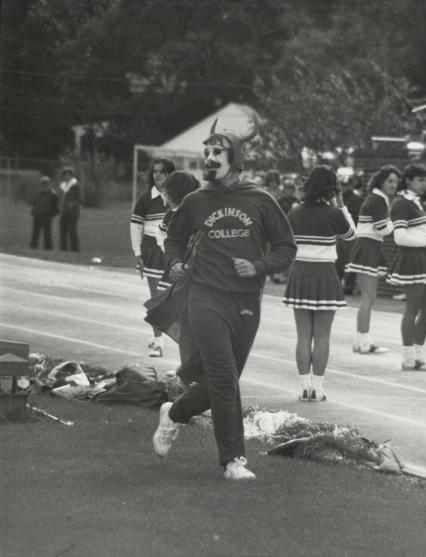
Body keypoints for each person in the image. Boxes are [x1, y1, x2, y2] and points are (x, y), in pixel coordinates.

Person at [151, 114, 296, 480]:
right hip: (204, 296)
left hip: (246, 301)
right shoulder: (197, 200)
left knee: (222, 383)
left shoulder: (261, 200)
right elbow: (174, 238)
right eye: (207, 152)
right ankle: (234, 461)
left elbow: (286, 246)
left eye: (218, 152)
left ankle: (174, 414)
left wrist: (260, 266)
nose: (209, 159)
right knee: (222, 376)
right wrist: (174, 262)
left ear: (237, 159)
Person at [283, 166, 355, 402]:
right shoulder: (334, 213)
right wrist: (342, 205)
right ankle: (318, 389)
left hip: (300, 273)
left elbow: (285, 240)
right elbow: (351, 236)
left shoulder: (294, 212)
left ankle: (304, 387)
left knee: (303, 336)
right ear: (332, 188)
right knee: (322, 336)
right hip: (325, 273)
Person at [387, 164, 426, 370]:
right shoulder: (400, 203)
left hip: (422, 258)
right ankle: (408, 357)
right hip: (411, 258)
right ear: (408, 180)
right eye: (421, 180)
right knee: (413, 306)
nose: (425, 184)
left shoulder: (419, 203)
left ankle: (418, 354)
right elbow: (399, 237)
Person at [346, 165, 401, 354]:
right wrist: (396, 222)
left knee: (369, 297)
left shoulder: (379, 198)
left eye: (395, 182)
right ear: (381, 182)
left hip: (370, 246)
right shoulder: (377, 199)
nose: (394, 185)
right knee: (368, 297)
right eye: (390, 181)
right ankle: (363, 342)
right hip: (367, 246)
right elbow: (382, 228)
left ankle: (361, 340)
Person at [130, 158, 175, 356]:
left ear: (170, 175)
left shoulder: (180, 198)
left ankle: (160, 337)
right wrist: (138, 254)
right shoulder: (145, 199)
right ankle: (158, 342)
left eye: (163, 172)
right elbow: (135, 227)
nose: (158, 175)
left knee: (174, 300)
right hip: (152, 253)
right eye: (155, 171)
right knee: (156, 299)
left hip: (175, 254)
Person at [30, 175, 59, 249]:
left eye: (46, 183)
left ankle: (48, 248)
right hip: (37, 216)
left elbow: (56, 208)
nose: (44, 184)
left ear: (48, 184)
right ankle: (33, 247)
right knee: (35, 233)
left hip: (47, 217)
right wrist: (34, 212)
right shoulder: (38, 193)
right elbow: (35, 203)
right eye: (43, 183)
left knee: (47, 234)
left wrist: (50, 215)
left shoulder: (53, 194)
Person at [59, 167, 82, 252]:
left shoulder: (76, 185)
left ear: (71, 175)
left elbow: (80, 199)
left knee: (72, 232)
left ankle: (75, 250)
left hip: (73, 213)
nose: (66, 176)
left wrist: (72, 205)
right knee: (62, 231)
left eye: (68, 175)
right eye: (64, 175)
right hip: (64, 211)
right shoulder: (63, 186)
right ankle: (63, 250)